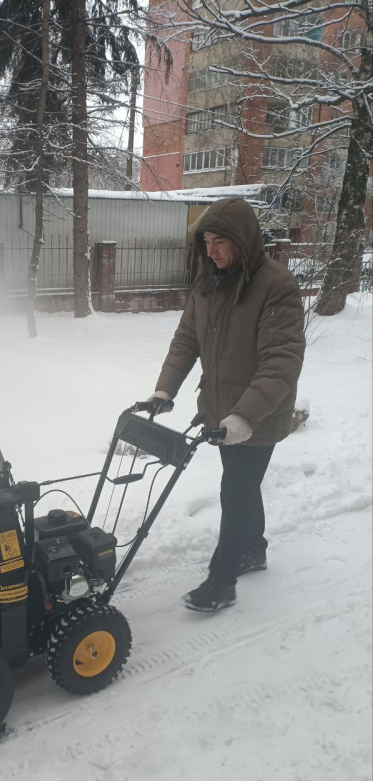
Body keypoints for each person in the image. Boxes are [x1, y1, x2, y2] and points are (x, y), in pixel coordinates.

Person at [146, 196, 305, 612]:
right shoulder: (208, 282)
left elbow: (280, 363)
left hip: (258, 417)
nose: (211, 250)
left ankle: (222, 579)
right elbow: (186, 340)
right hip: (222, 413)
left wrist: (244, 416)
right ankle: (254, 549)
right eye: (206, 241)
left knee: (235, 490)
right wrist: (165, 390)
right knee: (243, 487)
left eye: (220, 241)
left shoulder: (276, 287)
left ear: (244, 240)